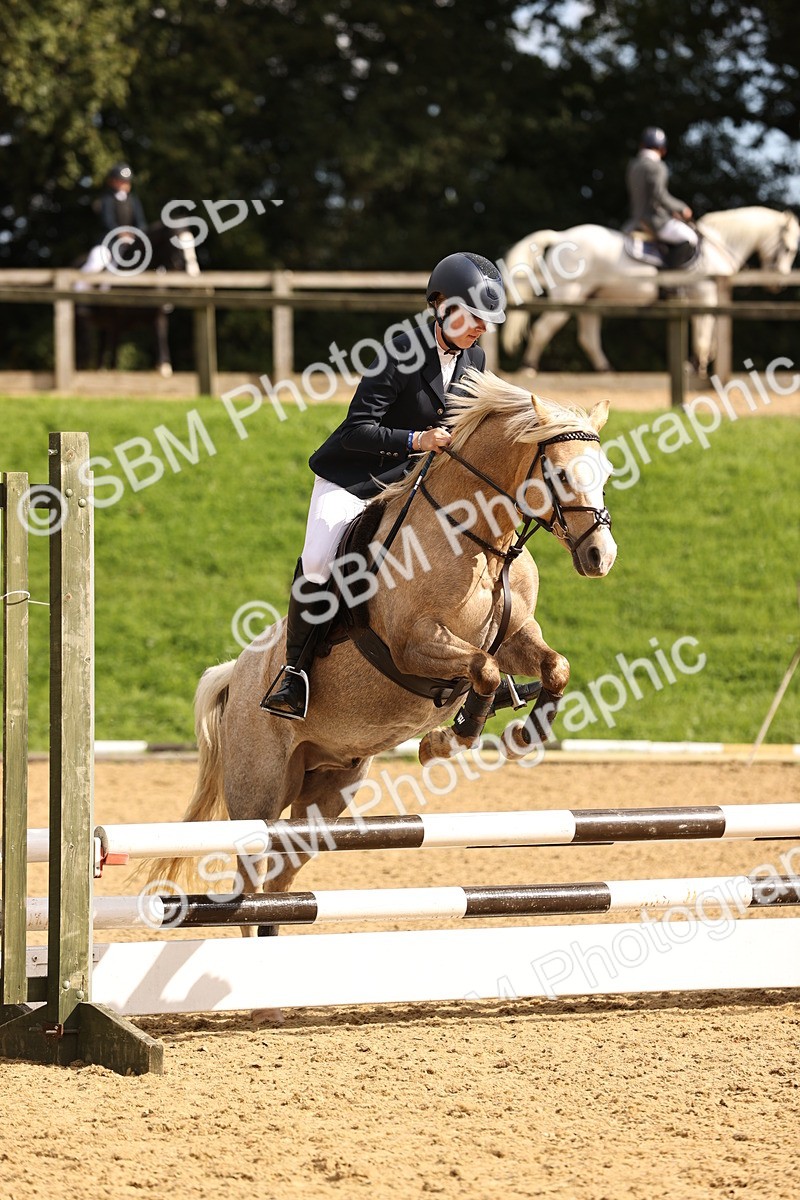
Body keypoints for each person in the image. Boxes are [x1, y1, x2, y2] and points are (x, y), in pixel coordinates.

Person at [261, 251, 507, 720]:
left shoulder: (473, 355)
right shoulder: (400, 349)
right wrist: (417, 439)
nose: (482, 329)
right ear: (444, 306)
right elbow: (357, 429)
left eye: (485, 321)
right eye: (475, 317)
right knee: (317, 559)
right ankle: (294, 675)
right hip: (357, 476)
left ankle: (489, 669)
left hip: (417, 482)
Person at [625, 127, 698, 267]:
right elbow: (659, 195)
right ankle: (668, 280)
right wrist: (681, 208)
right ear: (663, 150)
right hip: (654, 221)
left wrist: (670, 211)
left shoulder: (633, 165)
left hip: (635, 220)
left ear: (641, 145)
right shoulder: (657, 166)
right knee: (690, 238)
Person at [83, 163, 148, 273]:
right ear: (113, 181)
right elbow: (107, 221)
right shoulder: (106, 200)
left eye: (127, 181)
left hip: (129, 243)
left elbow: (141, 222)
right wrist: (120, 233)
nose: (125, 184)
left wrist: (134, 234)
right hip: (108, 243)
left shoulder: (134, 201)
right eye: (121, 181)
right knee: (96, 263)